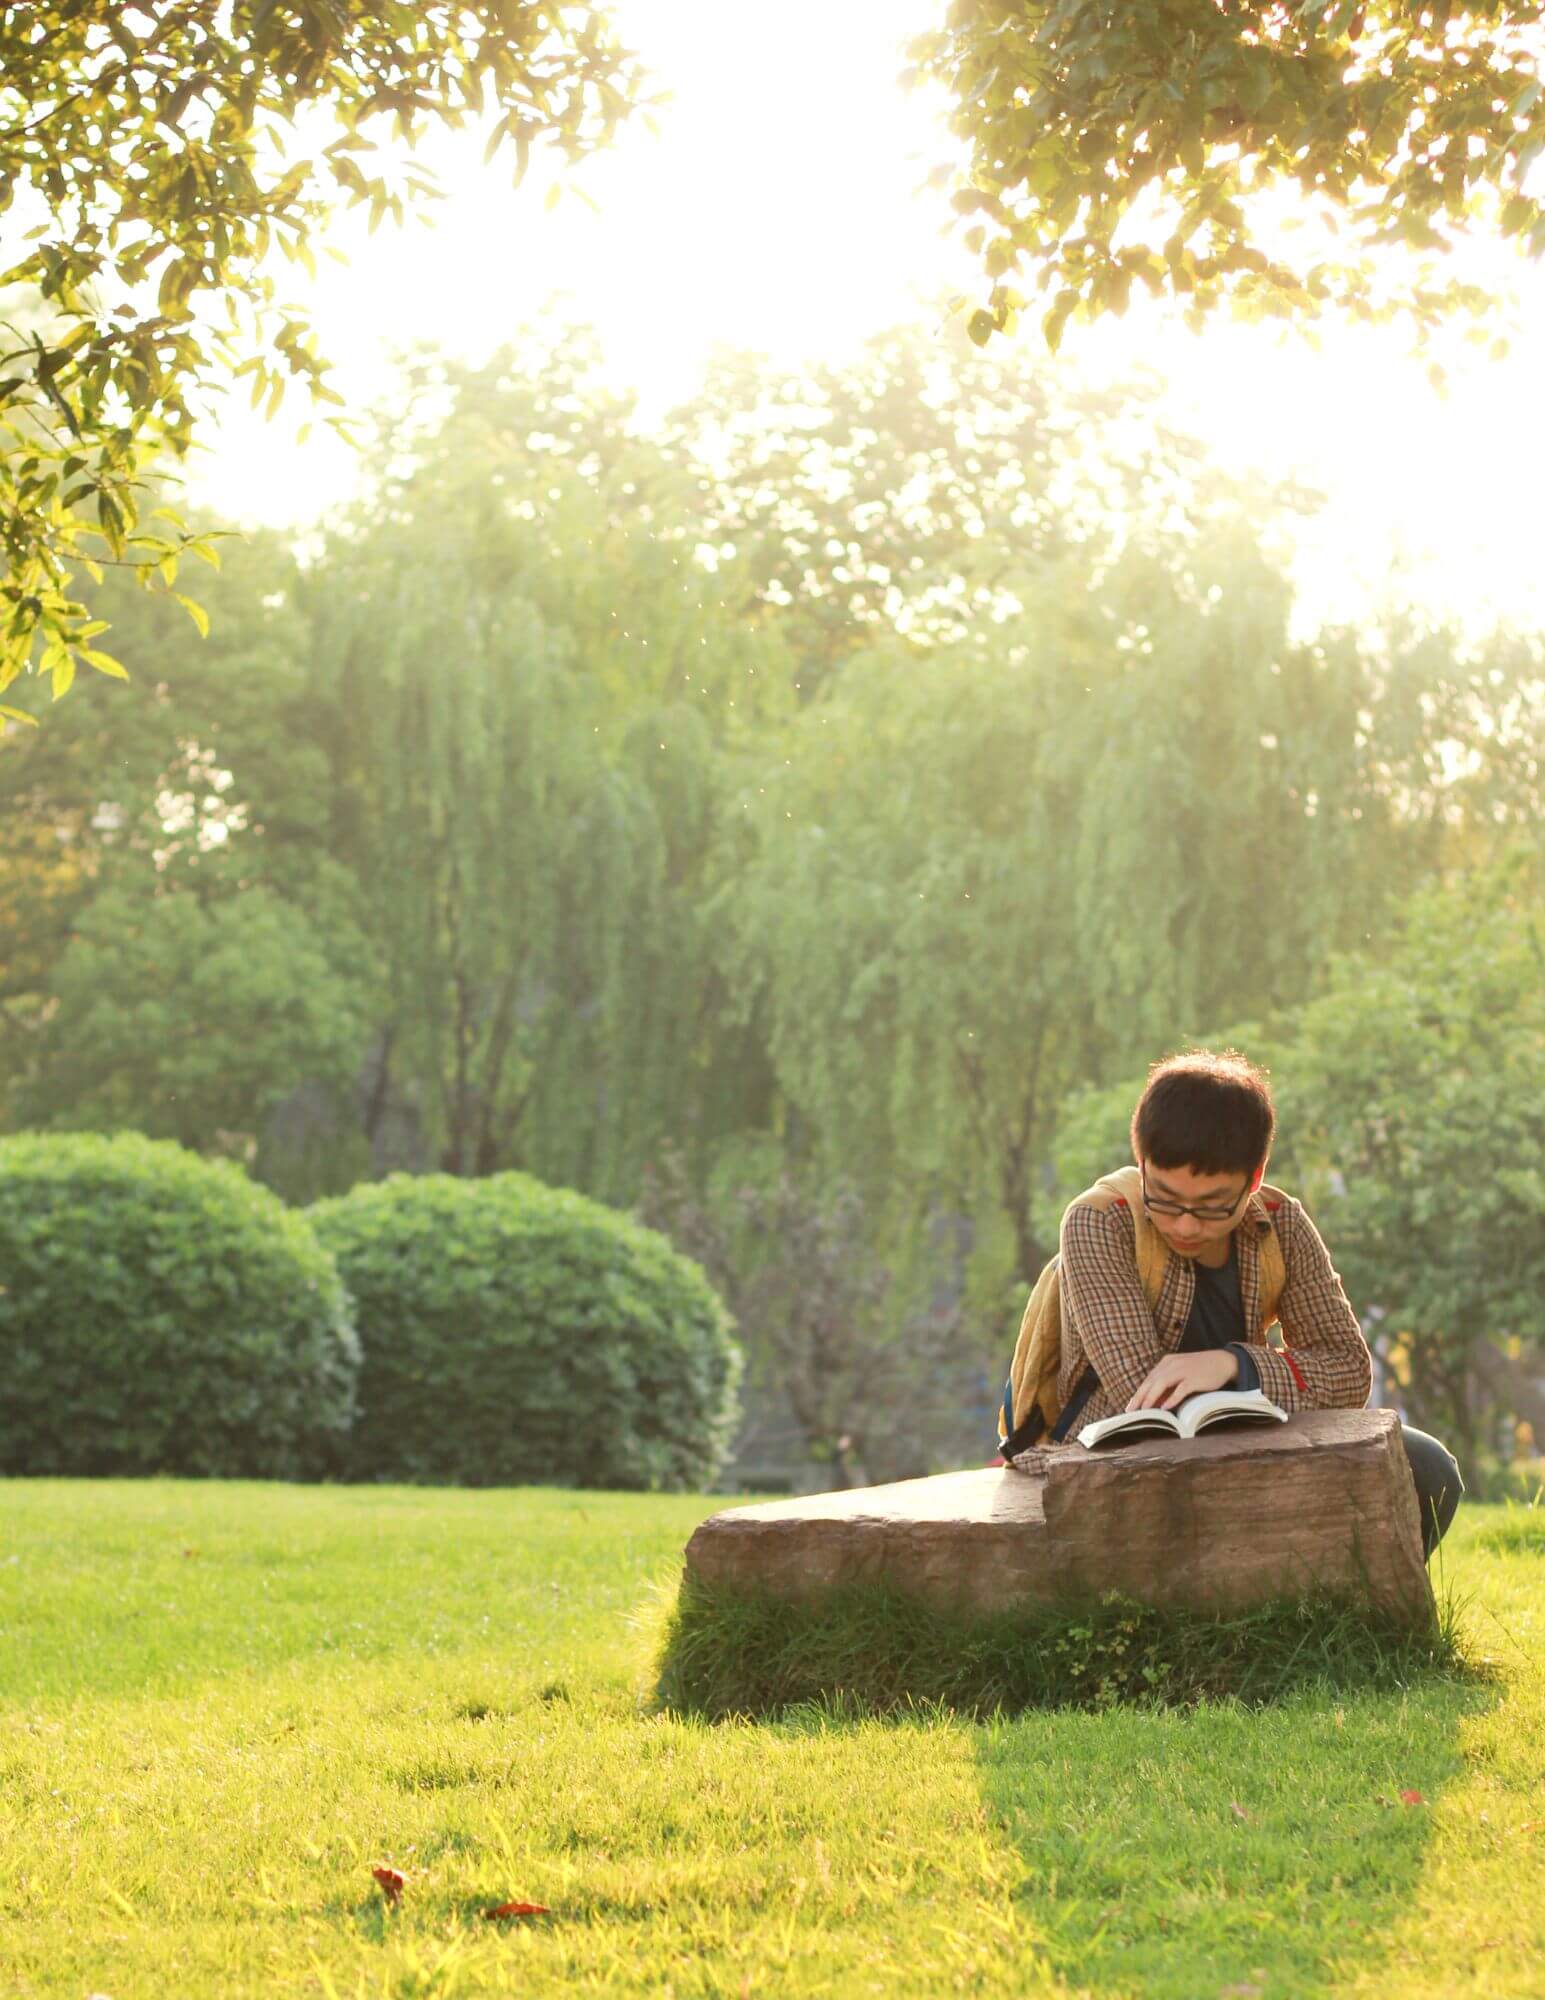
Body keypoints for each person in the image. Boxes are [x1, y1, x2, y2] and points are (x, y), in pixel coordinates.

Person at [1003, 1048, 1462, 1560]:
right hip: (1117, 1455)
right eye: (1166, 1199)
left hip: (1254, 1437)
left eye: (1211, 1206)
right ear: (1142, 1164)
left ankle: (1358, 1619)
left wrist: (1231, 1364)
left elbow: (1349, 1371)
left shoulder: (1280, 1223)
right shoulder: (1099, 1220)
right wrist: (1269, 1381)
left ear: (1255, 1176)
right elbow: (1142, 1393)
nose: (1185, 1225)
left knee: (1428, 1467)